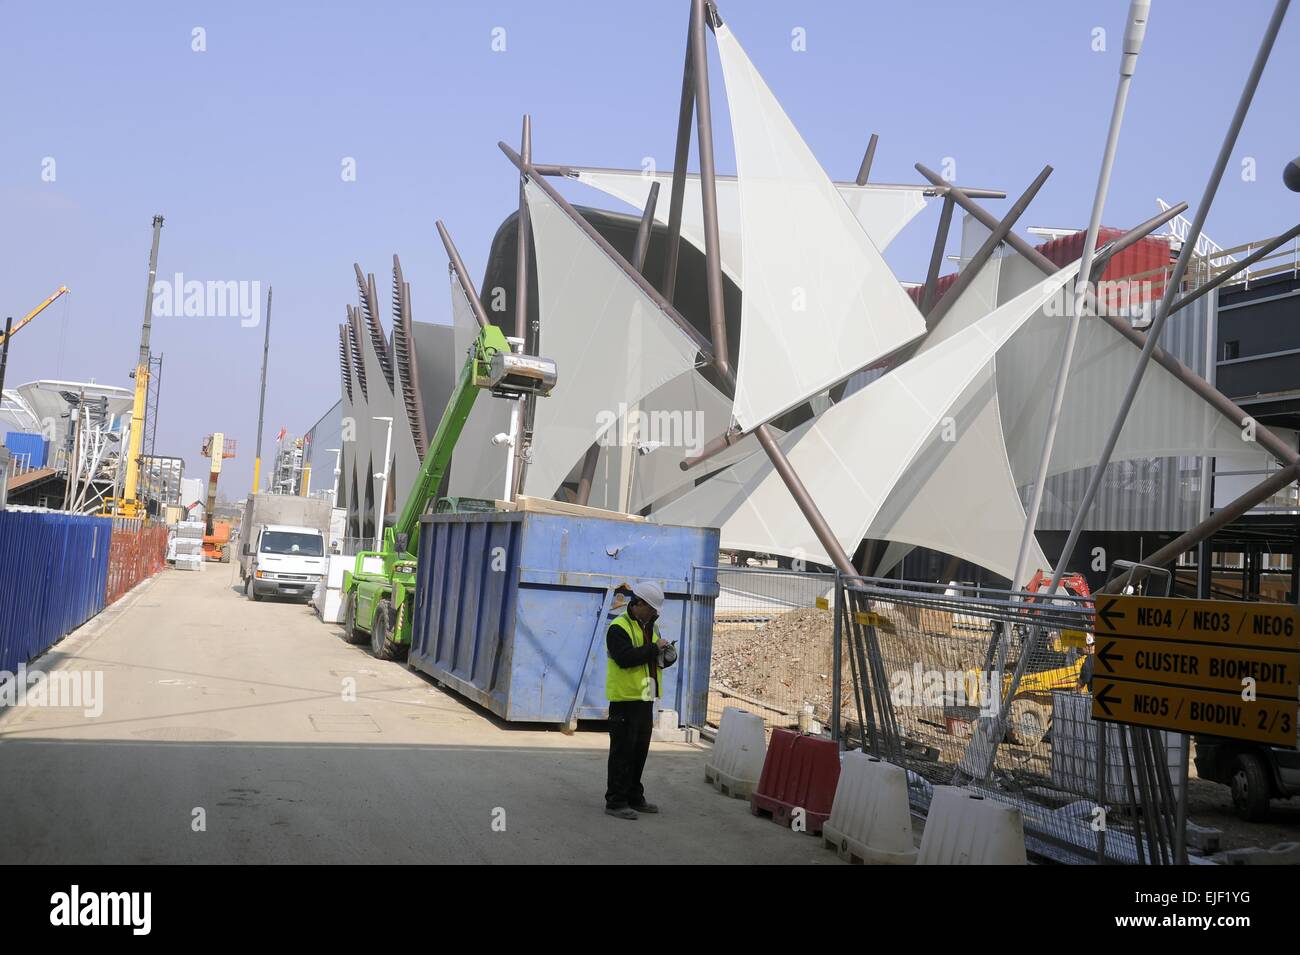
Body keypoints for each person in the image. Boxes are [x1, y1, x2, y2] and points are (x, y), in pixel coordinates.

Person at [604, 580, 672, 820]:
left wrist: (666, 655)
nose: (653, 613)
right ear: (638, 603)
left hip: (645, 697)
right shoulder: (618, 627)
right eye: (651, 608)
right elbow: (625, 658)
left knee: (639, 751)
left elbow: (653, 658)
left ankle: (634, 796)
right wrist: (654, 649)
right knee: (622, 752)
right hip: (624, 699)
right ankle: (616, 801)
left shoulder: (652, 628)